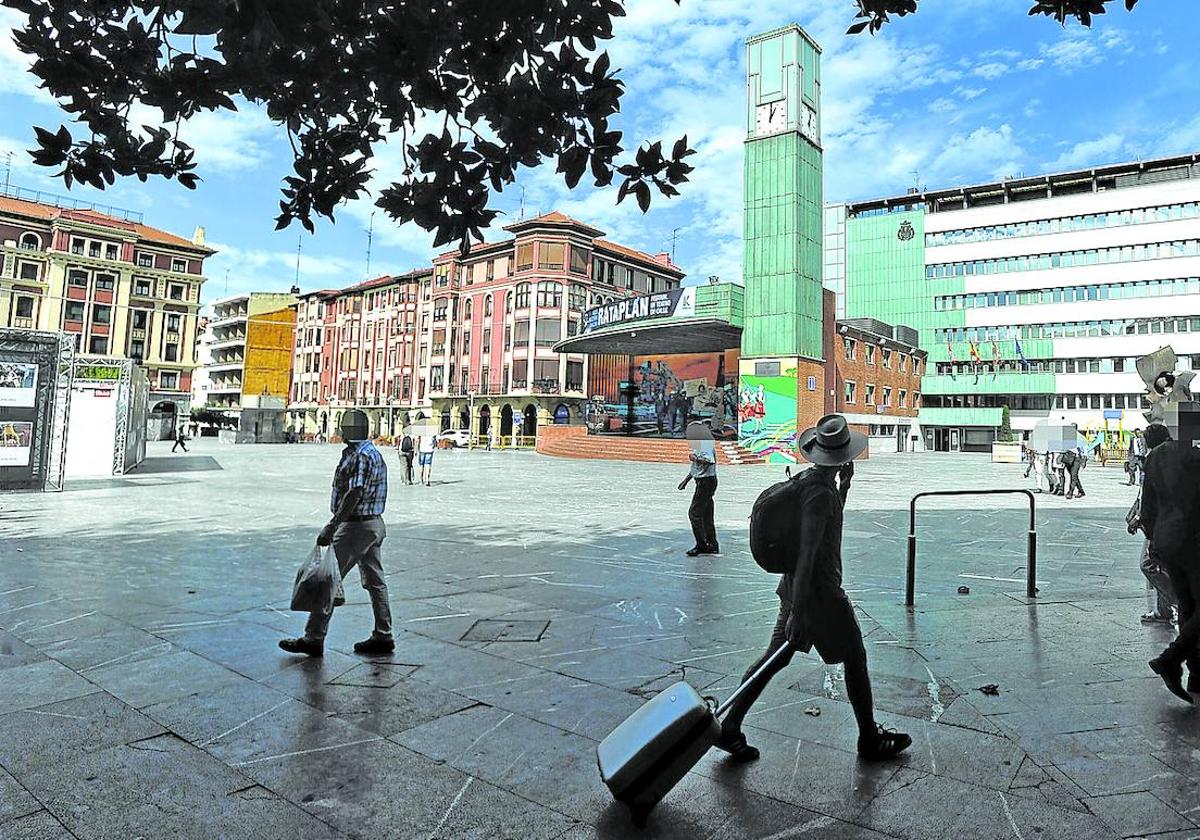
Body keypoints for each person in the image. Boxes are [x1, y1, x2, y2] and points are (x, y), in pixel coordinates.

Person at [717, 414, 911, 762]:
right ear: (843, 456)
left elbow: (823, 531)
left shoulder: (812, 484)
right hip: (819, 597)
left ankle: (730, 725)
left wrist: (845, 489)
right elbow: (808, 552)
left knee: (774, 658)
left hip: (795, 589)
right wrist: (800, 612)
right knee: (855, 657)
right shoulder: (820, 496)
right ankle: (869, 738)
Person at [280, 409, 393, 657]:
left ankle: (313, 638)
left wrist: (333, 525)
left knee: (327, 581)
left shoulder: (360, 457)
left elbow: (355, 493)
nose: (341, 430)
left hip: (355, 527)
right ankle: (384, 635)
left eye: (344, 427)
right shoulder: (372, 453)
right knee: (376, 582)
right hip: (374, 524)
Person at [1141, 425, 1200, 703]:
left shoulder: (1156, 456)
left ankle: (1197, 675)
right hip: (1195, 540)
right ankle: (1171, 659)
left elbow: (1147, 507)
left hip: (1168, 541)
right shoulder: (1195, 455)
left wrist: (1156, 539)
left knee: (1188, 606)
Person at [1132, 424, 1176, 625]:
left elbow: (1151, 495)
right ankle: (1164, 611)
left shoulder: (1156, 457)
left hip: (1161, 522)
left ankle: (1179, 604)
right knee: (1163, 565)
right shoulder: (1176, 453)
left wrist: (1141, 519)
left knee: (1147, 564)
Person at [682, 423, 719, 557]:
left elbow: (709, 461)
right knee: (706, 514)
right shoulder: (700, 445)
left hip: (706, 482)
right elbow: (695, 469)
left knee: (694, 513)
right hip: (703, 481)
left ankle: (702, 544)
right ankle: (712, 544)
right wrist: (686, 481)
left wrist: (694, 458)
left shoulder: (705, 445)